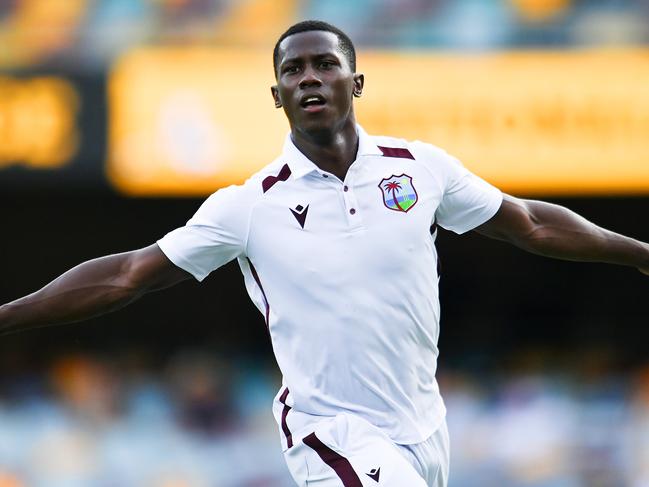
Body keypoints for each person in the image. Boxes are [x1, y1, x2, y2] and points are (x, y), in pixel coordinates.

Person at [1, 19, 647, 487]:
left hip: (425, 426)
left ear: (355, 81)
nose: (309, 77)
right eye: (291, 69)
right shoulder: (247, 205)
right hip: (328, 431)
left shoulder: (420, 169)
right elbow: (125, 275)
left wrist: (639, 253)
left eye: (325, 64)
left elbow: (530, 222)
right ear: (276, 96)